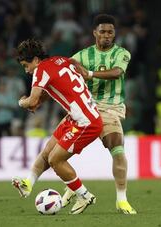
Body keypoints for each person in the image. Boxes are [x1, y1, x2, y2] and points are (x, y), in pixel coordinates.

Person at [11, 39, 103, 215]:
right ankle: (27, 184)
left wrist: (22, 102)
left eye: (26, 65)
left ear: (36, 60)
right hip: (77, 117)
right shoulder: (60, 60)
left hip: (86, 122)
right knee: (47, 152)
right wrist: (39, 101)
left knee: (55, 160)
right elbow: (56, 86)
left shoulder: (40, 70)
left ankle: (84, 195)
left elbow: (32, 100)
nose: (27, 70)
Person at [65, 14, 137, 214]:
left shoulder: (122, 53)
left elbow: (117, 72)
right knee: (56, 152)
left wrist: (88, 74)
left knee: (118, 149)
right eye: (103, 32)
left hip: (109, 108)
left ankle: (121, 200)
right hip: (84, 107)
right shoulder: (82, 55)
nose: (107, 35)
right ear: (94, 33)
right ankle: (71, 189)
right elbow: (64, 69)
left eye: (110, 32)